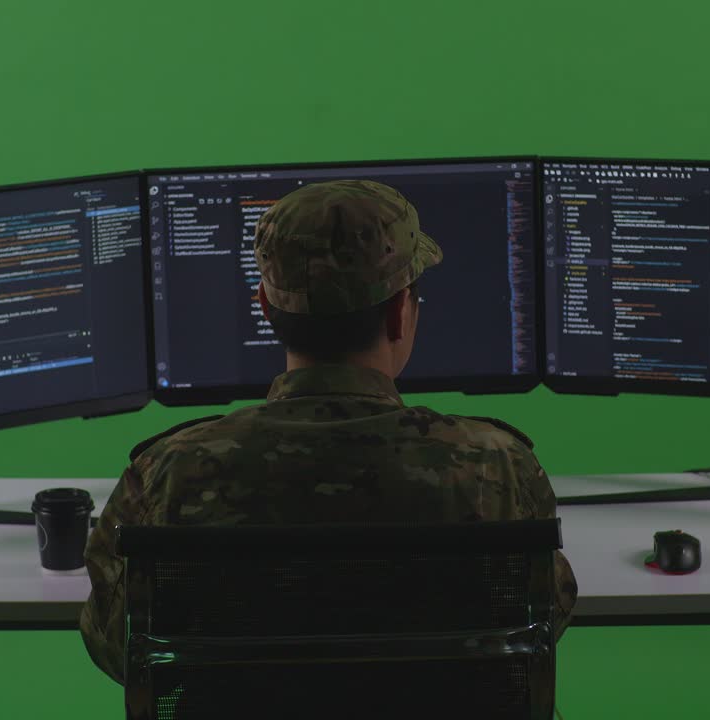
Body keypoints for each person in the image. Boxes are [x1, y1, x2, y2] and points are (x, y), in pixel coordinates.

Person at [80, 179, 577, 684]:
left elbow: (118, 646)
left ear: (267, 308)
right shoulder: (497, 464)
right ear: (399, 312)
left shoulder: (169, 471)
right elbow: (541, 623)